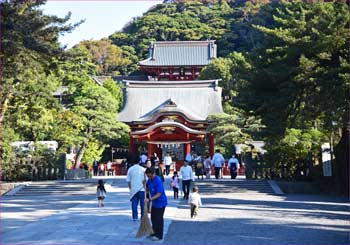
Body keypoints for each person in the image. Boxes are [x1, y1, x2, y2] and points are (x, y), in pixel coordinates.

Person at [145, 167, 167, 241]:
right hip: (154, 203)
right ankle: (153, 232)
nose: (149, 177)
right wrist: (144, 185)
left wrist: (150, 199)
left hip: (161, 202)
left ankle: (159, 235)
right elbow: (147, 188)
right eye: (148, 176)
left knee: (158, 219)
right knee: (153, 218)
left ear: (153, 173)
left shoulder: (158, 180)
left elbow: (159, 193)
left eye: (150, 176)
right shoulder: (149, 180)